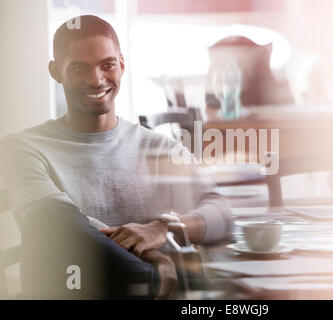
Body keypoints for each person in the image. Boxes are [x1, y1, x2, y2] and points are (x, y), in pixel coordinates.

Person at [0, 15, 233, 299]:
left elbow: (221, 213)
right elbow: (59, 223)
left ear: (121, 64)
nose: (96, 79)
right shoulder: (22, 147)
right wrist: (154, 260)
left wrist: (164, 227)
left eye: (107, 65)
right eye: (78, 68)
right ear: (55, 71)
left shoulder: (159, 148)